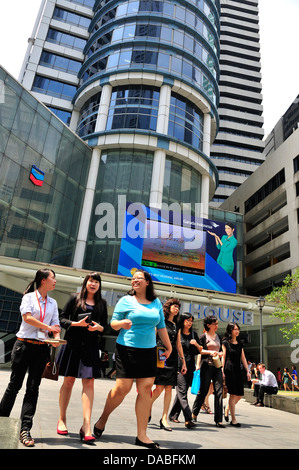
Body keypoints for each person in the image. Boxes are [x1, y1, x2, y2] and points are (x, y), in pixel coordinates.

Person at [93, 269, 172, 449]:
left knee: (145, 390)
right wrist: (121, 323)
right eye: (133, 279)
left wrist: (169, 346)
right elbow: (113, 323)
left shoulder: (156, 302)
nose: (134, 281)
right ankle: (102, 420)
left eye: (139, 279)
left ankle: (142, 435)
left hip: (149, 351)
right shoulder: (125, 301)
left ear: (147, 283)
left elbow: (161, 326)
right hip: (127, 349)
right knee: (122, 388)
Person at [0, 269, 61, 447]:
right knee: (14, 385)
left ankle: (25, 429)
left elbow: (56, 326)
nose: (55, 281)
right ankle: (2, 420)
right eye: (53, 278)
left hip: (42, 349)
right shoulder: (28, 298)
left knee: (33, 388)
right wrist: (48, 328)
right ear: (43, 280)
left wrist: (56, 340)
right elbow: (27, 319)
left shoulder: (53, 303)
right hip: (23, 346)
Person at [56, 272, 107, 443]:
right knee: (68, 381)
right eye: (91, 281)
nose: (93, 284)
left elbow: (105, 327)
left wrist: (99, 328)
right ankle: (62, 419)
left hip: (91, 348)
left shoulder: (102, 303)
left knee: (89, 382)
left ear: (99, 285)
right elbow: (61, 319)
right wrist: (75, 324)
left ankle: (87, 426)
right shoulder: (74, 298)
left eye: (96, 282)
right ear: (86, 282)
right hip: (73, 345)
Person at [150, 298, 186, 431]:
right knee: (159, 388)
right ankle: (147, 406)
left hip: (172, 359)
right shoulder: (161, 321)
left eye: (178, 307)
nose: (176, 309)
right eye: (174, 306)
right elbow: (154, 337)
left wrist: (183, 361)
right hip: (160, 356)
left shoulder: (177, 324)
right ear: (168, 307)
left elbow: (178, 344)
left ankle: (164, 418)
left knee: (168, 388)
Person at [168, 312, 202, 428]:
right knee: (182, 392)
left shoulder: (193, 334)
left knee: (182, 391)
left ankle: (173, 415)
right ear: (182, 321)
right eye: (187, 320)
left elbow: (200, 350)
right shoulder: (177, 333)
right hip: (178, 366)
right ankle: (188, 418)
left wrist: (196, 344)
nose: (190, 322)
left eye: (191, 320)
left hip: (190, 366)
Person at [191, 315, 225, 427]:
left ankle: (218, 419)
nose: (216, 326)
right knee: (204, 391)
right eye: (214, 324)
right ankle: (194, 412)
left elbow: (220, 350)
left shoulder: (218, 336)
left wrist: (220, 354)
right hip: (206, 366)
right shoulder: (203, 337)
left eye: (217, 324)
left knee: (219, 392)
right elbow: (199, 351)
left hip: (217, 366)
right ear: (208, 325)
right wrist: (210, 353)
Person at [222, 322, 251, 426]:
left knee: (239, 395)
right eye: (235, 329)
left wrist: (248, 371)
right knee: (233, 394)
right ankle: (233, 419)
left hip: (238, 370)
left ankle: (228, 408)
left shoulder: (240, 342)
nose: (237, 331)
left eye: (238, 329)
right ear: (230, 330)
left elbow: (243, 357)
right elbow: (224, 357)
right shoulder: (225, 342)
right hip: (229, 369)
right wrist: (222, 370)